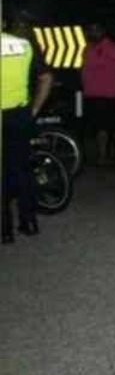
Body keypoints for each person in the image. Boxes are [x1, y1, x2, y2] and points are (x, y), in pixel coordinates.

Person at [2, 12, 54, 244]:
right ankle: (28, 221)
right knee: (22, 169)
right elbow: (46, 78)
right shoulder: (23, 45)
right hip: (20, 114)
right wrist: (34, 109)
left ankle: (4, 230)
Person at [81, 22, 115, 166]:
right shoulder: (87, 48)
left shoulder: (114, 48)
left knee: (113, 127)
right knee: (99, 126)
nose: (92, 33)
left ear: (103, 31)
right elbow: (83, 68)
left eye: (96, 30)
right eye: (90, 30)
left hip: (110, 93)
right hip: (91, 93)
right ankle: (105, 155)